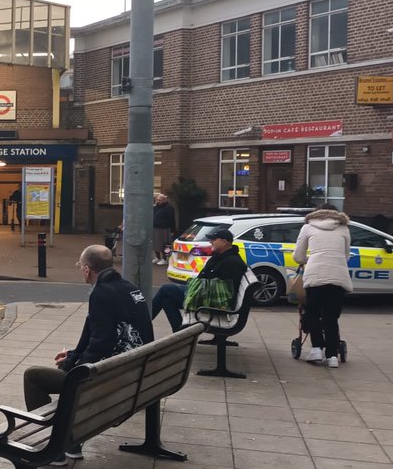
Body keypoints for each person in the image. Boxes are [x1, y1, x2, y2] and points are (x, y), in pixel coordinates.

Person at [24, 245, 154, 465]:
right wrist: (73, 356)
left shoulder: (101, 293)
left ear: (86, 269)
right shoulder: (130, 287)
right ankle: (72, 443)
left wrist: (76, 368)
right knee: (64, 367)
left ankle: (54, 448)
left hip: (112, 376)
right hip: (137, 372)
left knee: (33, 376)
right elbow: (101, 336)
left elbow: (101, 343)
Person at [151, 228, 247, 333]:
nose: (211, 242)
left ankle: (145, 322)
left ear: (224, 242)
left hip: (212, 302)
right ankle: (179, 333)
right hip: (205, 294)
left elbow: (223, 291)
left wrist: (194, 287)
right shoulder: (222, 256)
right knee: (166, 299)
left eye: (214, 239)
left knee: (166, 289)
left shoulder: (232, 262)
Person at [293, 203, 352, 368]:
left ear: (317, 213)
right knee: (331, 317)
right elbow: (346, 256)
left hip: (315, 275)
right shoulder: (344, 229)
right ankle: (332, 356)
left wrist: (308, 260)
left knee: (313, 313)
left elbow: (298, 255)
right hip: (338, 276)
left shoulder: (308, 227)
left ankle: (317, 349)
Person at [153, 194, 176, 265]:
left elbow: (172, 220)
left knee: (165, 244)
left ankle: (165, 259)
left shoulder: (169, 208)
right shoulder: (155, 208)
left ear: (164, 200)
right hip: (156, 228)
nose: (158, 201)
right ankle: (158, 257)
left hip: (165, 229)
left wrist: (172, 230)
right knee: (155, 244)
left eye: (160, 200)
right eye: (157, 200)